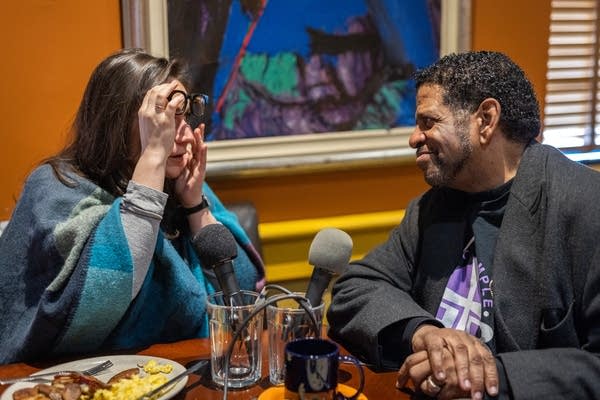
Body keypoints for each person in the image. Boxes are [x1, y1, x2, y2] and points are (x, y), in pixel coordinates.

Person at [327, 51, 600, 399]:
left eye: (429, 122)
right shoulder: (435, 205)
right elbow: (355, 289)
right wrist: (424, 331)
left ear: (485, 120)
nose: (414, 138)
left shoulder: (586, 206)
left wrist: (492, 376)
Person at [0, 49, 265, 364]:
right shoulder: (57, 187)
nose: (183, 134)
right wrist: (153, 156)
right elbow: (99, 300)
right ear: (116, 124)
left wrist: (196, 206)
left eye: (186, 115)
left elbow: (242, 295)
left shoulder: (182, 184)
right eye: (165, 119)